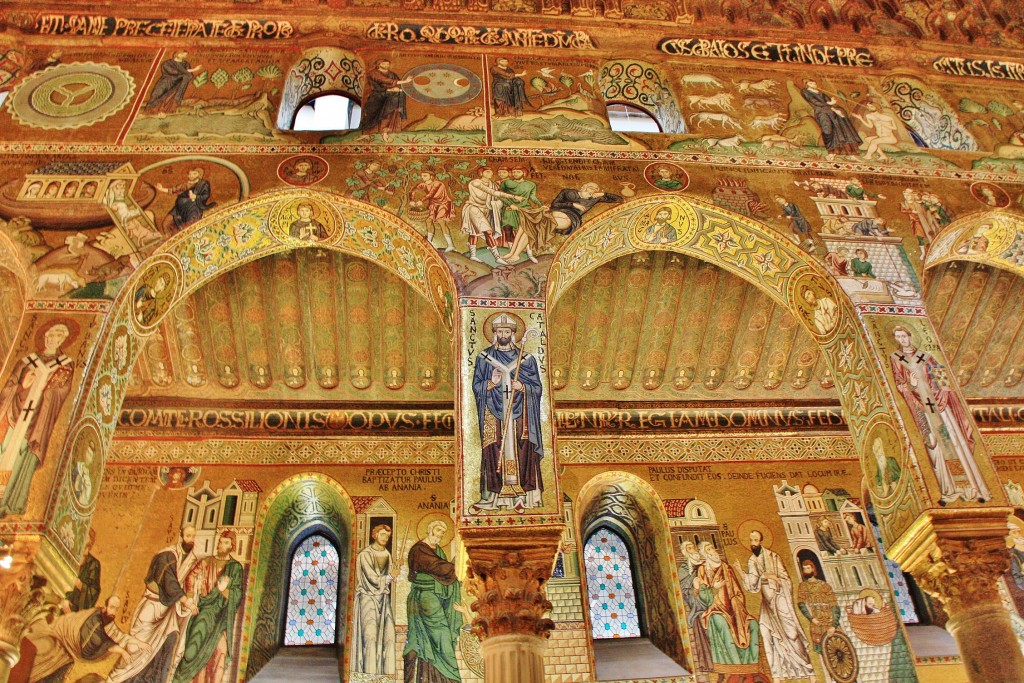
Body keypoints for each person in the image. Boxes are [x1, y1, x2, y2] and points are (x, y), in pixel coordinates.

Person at [890, 325, 990, 503]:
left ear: (910, 336)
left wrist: (942, 391)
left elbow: (941, 376)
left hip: (939, 405)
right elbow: (899, 383)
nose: (902, 339)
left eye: (904, 336)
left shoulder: (925, 356)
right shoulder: (896, 358)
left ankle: (974, 489)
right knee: (934, 443)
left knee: (953, 440)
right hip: (920, 405)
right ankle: (949, 490)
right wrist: (911, 384)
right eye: (898, 337)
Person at [107, 525, 200, 683]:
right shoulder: (167, 555)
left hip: (168, 612)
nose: (190, 540)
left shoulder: (190, 559)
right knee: (135, 649)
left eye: (193, 537)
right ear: (180, 535)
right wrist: (187, 603)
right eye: (188, 536)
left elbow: (187, 583)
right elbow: (170, 583)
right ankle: (117, 680)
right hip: (152, 608)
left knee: (169, 641)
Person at [0, 322, 75, 516]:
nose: (52, 339)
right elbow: (8, 387)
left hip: (37, 420)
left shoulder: (65, 365)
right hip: (15, 416)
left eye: (58, 337)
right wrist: (22, 386)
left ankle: (10, 500)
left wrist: (47, 393)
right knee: (6, 451)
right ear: (44, 336)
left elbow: (62, 392)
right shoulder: (27, 360)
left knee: (24, 456)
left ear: (62, 341)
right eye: (50, 335)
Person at [471, 314, 544, 512]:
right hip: (494, 414)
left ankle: (524, 497)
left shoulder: (526, 360)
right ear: (494, 334)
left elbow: (537, 388)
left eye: (507, 331)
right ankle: (493, 497)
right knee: (493, 449)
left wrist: (523, 387)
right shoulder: (484, 358)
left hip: (519, 413)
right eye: (500, 331)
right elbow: (476, 386)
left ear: (513, 334)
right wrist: (491, 383)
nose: (503, 335)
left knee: (522, 449)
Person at [737, 530, 814, 680]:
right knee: (766, 635)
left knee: (791, 633)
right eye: (751, 540)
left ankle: (807, 667)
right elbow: (752, 584)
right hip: (767, 605)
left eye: (755, 540)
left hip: (780, 600)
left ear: (761, 541)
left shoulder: (774, 557)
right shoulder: (752, 560)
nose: (753, 543)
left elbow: (786, 579)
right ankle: (778, 674)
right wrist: (742, 573)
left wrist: (775, 578)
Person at [172, 530, 244, 683]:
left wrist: (224, 589)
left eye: (225, 542)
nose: (220, 544)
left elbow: (237, 594)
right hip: (205, 610)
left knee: (221, 651)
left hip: (221, 616)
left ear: (232, 546)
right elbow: (191, 576)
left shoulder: (235, 567)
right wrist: (190, 597)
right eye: (220, 541)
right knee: (193, 650)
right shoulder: (207, 561)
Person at [23, 596, 148, 683]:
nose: (113, 611)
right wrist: (120, 651)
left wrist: (139, 643)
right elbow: (93, 636)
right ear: (105, 606)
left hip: (66, 655)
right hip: (58, 641)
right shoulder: (95, 617)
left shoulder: (108, 624)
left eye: (116, 609)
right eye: (112, 607)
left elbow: (120, 636)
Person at [404, 520, 463, 683]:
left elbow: (443, 571)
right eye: (438, 530)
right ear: (430, 530)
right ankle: (450, 679)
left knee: (440, 637)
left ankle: (437, 679)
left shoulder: (437, 551)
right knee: (442, 635)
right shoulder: (419, 550)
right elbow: (438, 567)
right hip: (425, 598)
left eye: (442, 533)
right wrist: (456, 565)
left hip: (436, 598)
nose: (440, 535)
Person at [694, 542, 760, 672]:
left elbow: (738, 591)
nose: (712, 550)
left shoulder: (726, 568)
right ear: (704, 553)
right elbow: (703, 595)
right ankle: (735, 667)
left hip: (735, 610)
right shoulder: (703, 569)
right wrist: (714, 588)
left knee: (753, 625)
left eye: (712, 547)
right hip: (715, 610)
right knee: (722, 624)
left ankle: (751, 666)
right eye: (708, 549)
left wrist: (736, 602)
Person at [353, 524, 396, 675]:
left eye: (387, 536)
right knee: (370, 636)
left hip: (383, 599)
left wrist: (393, 573)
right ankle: (369, 676)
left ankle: (386, 675)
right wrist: (390, 576)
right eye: (382, 534)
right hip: (368, 598)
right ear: (375, 535)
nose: (385, 538)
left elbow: (389, 577)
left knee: (389, 636)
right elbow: (372, 578)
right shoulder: (365, 554)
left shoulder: (387, 554)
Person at [460, 168, 518, 263]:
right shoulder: (476, 183)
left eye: (491, 171)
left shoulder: (493, 184)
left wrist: (505, 204)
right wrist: (514, 197)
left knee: (474, 232)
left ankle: (473, 255)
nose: (491, 173)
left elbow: (498, 197)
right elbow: (493, 193)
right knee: (488, 232)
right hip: (474, 208)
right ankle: (497, 257)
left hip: (486, 209)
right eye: (487, 171)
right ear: (481, 173)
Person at [677, 541, 713, 676]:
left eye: (693, 547)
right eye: (689, 548)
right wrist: (695, 582)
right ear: (686, 552)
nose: (693, 550)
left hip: (710, 600)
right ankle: (708, 663)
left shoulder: (704, 565)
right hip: (696, 604)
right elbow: (684, 588)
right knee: (701, 623)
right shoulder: (684, 568)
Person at [800, 80, 862, 157]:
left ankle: (836, 152)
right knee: (827, 131)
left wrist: (837, 109)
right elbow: (814, 102)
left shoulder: (821, 93)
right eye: (811, 83)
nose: (814, 84)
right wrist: (828, 103)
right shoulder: (805, 92)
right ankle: (830, 150)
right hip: (821, 113)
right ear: (806, 85)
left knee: (838, 130)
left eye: (815, 83)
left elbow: (831, 103)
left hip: (832, 112)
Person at [795, 560, 841, 655]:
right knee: (821, 651)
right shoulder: (803, 586)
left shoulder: (824, 585)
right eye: (804, 569)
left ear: (813, 569)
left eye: (808, 568)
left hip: (830, 621)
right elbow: (801, 604)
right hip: (817, 624)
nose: (806, 571)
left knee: (839, 649)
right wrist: (811, 619)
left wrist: (834, 625)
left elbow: (835, 605)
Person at [361, 59, 412, 140]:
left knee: (389, 113)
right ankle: (367, 133)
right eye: (384, 64)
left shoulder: (392, 74)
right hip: (377, 96)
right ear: (378, 64)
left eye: (388, 64)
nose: (386, 65)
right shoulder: (373, 73)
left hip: (390, 97)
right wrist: (405, 81)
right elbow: (385, 81)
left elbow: (396, 83)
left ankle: (384, 132)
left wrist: (397, 89)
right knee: (371, 112)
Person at [156, 167, 215, 234]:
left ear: (199, 175)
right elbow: (173, 190)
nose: (191, 175)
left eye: (194, 173)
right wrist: (161, 189)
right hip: (178, 209)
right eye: (190, 174)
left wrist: (196, 196)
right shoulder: (184, 185)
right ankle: (169, 241)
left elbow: (206, 195)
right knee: (165, 224)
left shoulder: (203, 184)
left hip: (192, 210)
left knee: (189, 228)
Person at [549, 182, 623, 236]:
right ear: (584, 187)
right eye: (591, 188)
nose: (592, 191)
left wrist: (603, 194)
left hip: (572, 217)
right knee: (553, 217)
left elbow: (619, 199)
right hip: (559, 211)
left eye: (595, 190)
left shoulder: (594, 199)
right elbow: (555, 204)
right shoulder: (568, 192)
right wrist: (573, 204)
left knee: (564, 222)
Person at [410, 171, 456, 253]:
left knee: (441, 221)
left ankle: (450, 245)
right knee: (428, 221)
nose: (422, 177)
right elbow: (413, 190)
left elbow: (431, 194)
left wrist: (421, 200)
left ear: (431, 176)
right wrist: (412, 200)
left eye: (425, 176)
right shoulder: (423, 185)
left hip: (443, 204)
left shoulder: (438, 184)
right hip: (433, 204)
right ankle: (429, 242)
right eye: (422, 176)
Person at [62, 528, 101, 614]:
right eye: (84, 546)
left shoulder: (93, 564)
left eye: (89, 546)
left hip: (75, 608)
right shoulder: (67, 553)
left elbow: (94, 591)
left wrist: (81, 585)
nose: (86, 552)